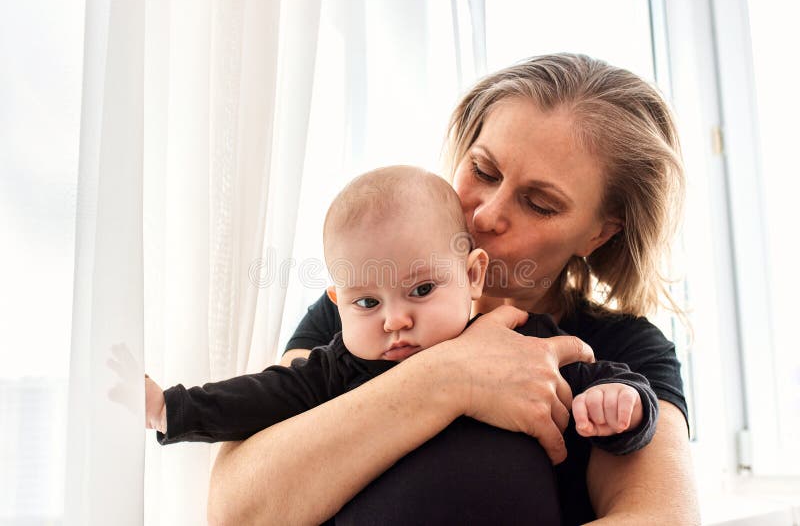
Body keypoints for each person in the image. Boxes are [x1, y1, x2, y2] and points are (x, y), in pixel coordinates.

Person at [208, 54, 699, 525]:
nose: (487, 214)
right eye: (483, 171)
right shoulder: (367, 312)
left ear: (599, 233)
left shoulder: (625, 350)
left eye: (540, 203)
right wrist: (451, 377)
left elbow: (661, 518)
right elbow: (238, 510)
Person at [145, 167, 659, 524]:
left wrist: (623, 405)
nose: (394, 319)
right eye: (366, 302)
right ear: (339, 302)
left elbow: (606, 381)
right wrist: (174, 407)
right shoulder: (338, 364)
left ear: (472, 274)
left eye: (420, 291)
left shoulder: (528, 339)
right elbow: (255, 400)